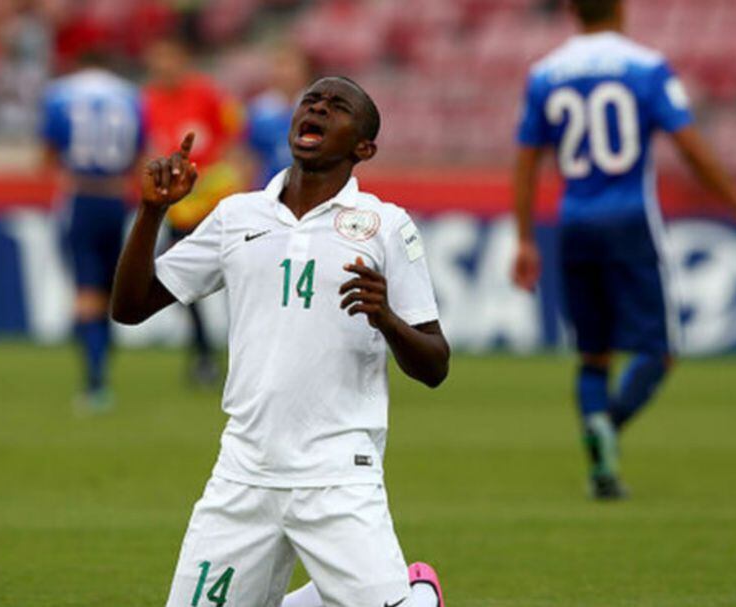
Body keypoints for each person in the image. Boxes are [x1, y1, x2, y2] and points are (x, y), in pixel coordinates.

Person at [112, 76, 449, 607]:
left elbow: (435, 365)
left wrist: (387, 320)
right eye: (310, 101)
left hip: (338, 474)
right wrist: (152, 211)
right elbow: (130, 309)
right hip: (244, 472)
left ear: (363, 148)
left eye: (337, 107)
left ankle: (416, 595)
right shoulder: (236, 216)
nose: (317, 109)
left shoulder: (385, 225)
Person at [510, 0, 736, 499]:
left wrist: (523, 237)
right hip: (631, 220)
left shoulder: (545, 74)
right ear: (621, 7)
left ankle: (601, 466)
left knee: (593, 356)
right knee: (658, 351)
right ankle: (607, 425)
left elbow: (526, 161)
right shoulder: (646, 66)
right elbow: (690, 145)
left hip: (575, 223)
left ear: (571, 10)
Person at [41, 53, 145, 414]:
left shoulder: (60, 93)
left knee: (85, 292)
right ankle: (101, 364)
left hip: (81, 196)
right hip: (117, 198)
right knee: (108, 287)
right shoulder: (131, 95)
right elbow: (140, 152)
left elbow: (47, 154)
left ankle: (95, 381)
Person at [142, 36, 245, 385]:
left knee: (241, 284)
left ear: (182, 59)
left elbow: (234, 137)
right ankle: (202, 354)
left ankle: (242, 356)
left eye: (167, 59)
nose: (161, 68)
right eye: (156, 61)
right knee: (179, 283)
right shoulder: (149, 101)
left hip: (217, 207)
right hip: (181, 211)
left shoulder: (207, 94)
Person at [245, 45, 312, 187]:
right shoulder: (257, 111)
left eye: (290, 66)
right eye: (280, 65)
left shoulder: (319, 109)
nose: (285, 73)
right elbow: (247, 156)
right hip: (268, 190)